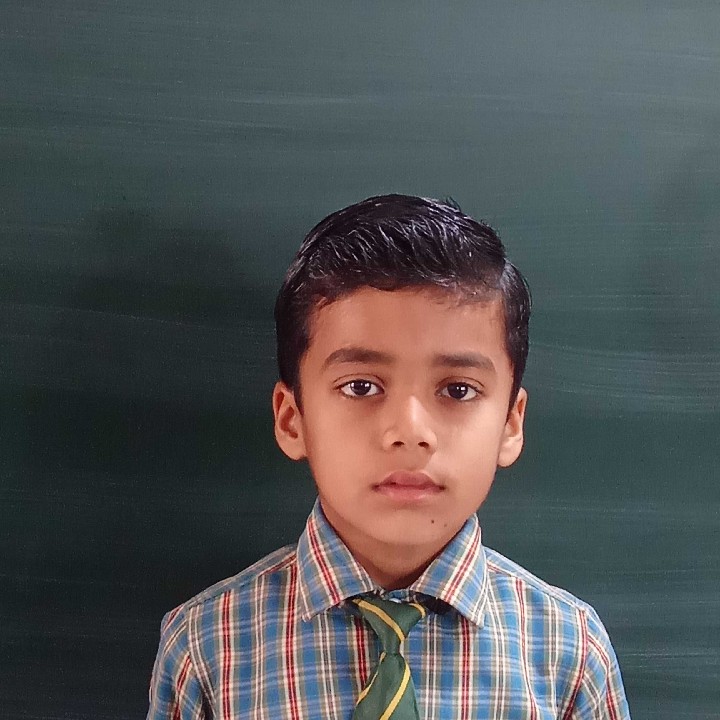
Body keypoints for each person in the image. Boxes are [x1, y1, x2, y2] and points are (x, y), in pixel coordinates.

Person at [146, 194, 631, 719]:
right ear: (292, 419)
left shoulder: (568, 652)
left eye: (458, 390)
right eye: (361, 386)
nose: (410, 431)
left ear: (511, 425)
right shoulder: (206, 647)